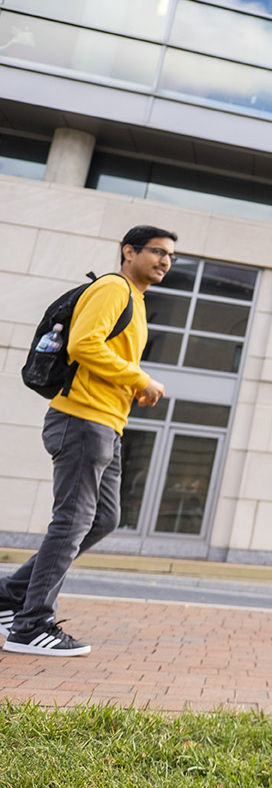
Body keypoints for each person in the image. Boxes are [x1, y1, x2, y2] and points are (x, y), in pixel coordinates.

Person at [0, 225, 172, 657]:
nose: (166, 260)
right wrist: (139, 377)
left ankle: (9, 597)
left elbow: (103, 354)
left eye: (171, 255)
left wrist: (129, 386)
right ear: (128, 251)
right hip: (81, 419)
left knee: (103, 519)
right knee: (72, 521)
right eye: (157, 251)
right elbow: (83, 344)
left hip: (107, 423)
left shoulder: (136, 299)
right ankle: (30, 625)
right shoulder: (114, 288)